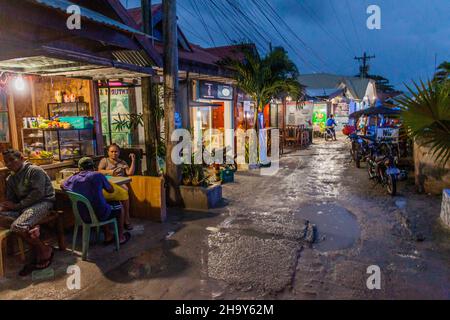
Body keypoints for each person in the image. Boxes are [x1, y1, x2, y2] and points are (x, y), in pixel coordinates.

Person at [0, 149, 55, 276]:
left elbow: (38, 194)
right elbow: (11, 199)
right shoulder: (10, 178)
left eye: (12, 160)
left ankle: (45, 249)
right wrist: (6, 205)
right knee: (12, 220)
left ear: (22, 158)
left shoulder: (35, 171)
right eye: (6, 161)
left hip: (43, 203)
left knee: (17, 226)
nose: (8, 164)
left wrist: (17, 206)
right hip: (23, 208)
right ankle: (31, 227)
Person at [62, 157, 131, 246]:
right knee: (119, 206)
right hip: (99, 214)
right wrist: (105, 180)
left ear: (79, 168)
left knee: (101, 205)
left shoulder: (74, 179)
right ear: (93, 167)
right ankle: (121, 237)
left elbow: (62, 185)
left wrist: (74, 174)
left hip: (82, 216)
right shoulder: (97, 176)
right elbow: (111, 190)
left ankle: (108, 235)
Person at [98, 144, 135, 230]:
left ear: (119, 152)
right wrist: (110, 172)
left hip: (120, 182)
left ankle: (126, 219)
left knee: (125, 190)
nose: (114, 153)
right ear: (108, 152)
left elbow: (130, 173)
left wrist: (133, 160)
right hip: (109, 183)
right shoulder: (104, 160)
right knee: (124, 190)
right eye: (112, 151)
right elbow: (99, 171)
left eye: (116, 151)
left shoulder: (123, 162)